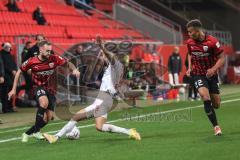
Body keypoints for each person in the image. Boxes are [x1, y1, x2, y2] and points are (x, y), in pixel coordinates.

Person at [43, 36, 141, 143]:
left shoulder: (116, 64)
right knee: (100, 126)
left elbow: (110, 56)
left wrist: (102, 47)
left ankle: (55, 137)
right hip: (106, 99)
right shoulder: (118, 68)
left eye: (104, 55)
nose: (103, 57)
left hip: (104, 99)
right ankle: (129, 131)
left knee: (76, 116)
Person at [8, 40, 80, 142]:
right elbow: (19, 72)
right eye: (47, 51)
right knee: (44, 102)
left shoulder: (53, 58)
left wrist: (75, 70)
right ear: (41, 49)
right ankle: (37, 132)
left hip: (51, 89)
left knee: (48, 118)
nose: (49, 53)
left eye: (50, 51)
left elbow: (68, 63)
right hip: (38, 87)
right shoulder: (32, 61)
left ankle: (27, 133)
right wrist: (13, 89)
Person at [186, 19, 225, 136]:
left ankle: (212, 109)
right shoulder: (190, 42)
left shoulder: (212, 42)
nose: (189, 34)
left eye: (191, 32)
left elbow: (222, 58)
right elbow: (189, 54)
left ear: (198, 31)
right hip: (198, 74)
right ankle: (216, 127)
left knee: (216, 104)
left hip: (211, 75)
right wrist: (189, 67)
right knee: (204, 96)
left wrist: (213, 69)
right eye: (188, 32)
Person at [0, 42, 17, 113]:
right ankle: (5, 108)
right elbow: (4, 66)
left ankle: (10, 107)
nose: (9, 48)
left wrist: (15, 70)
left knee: (10, 92)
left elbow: (13, 64)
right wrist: (11, 71)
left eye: (9, 47)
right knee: (5, 93)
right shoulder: (1, 54)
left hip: (10, 77)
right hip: (6, 76)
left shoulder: (9, 55)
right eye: (7, 47)